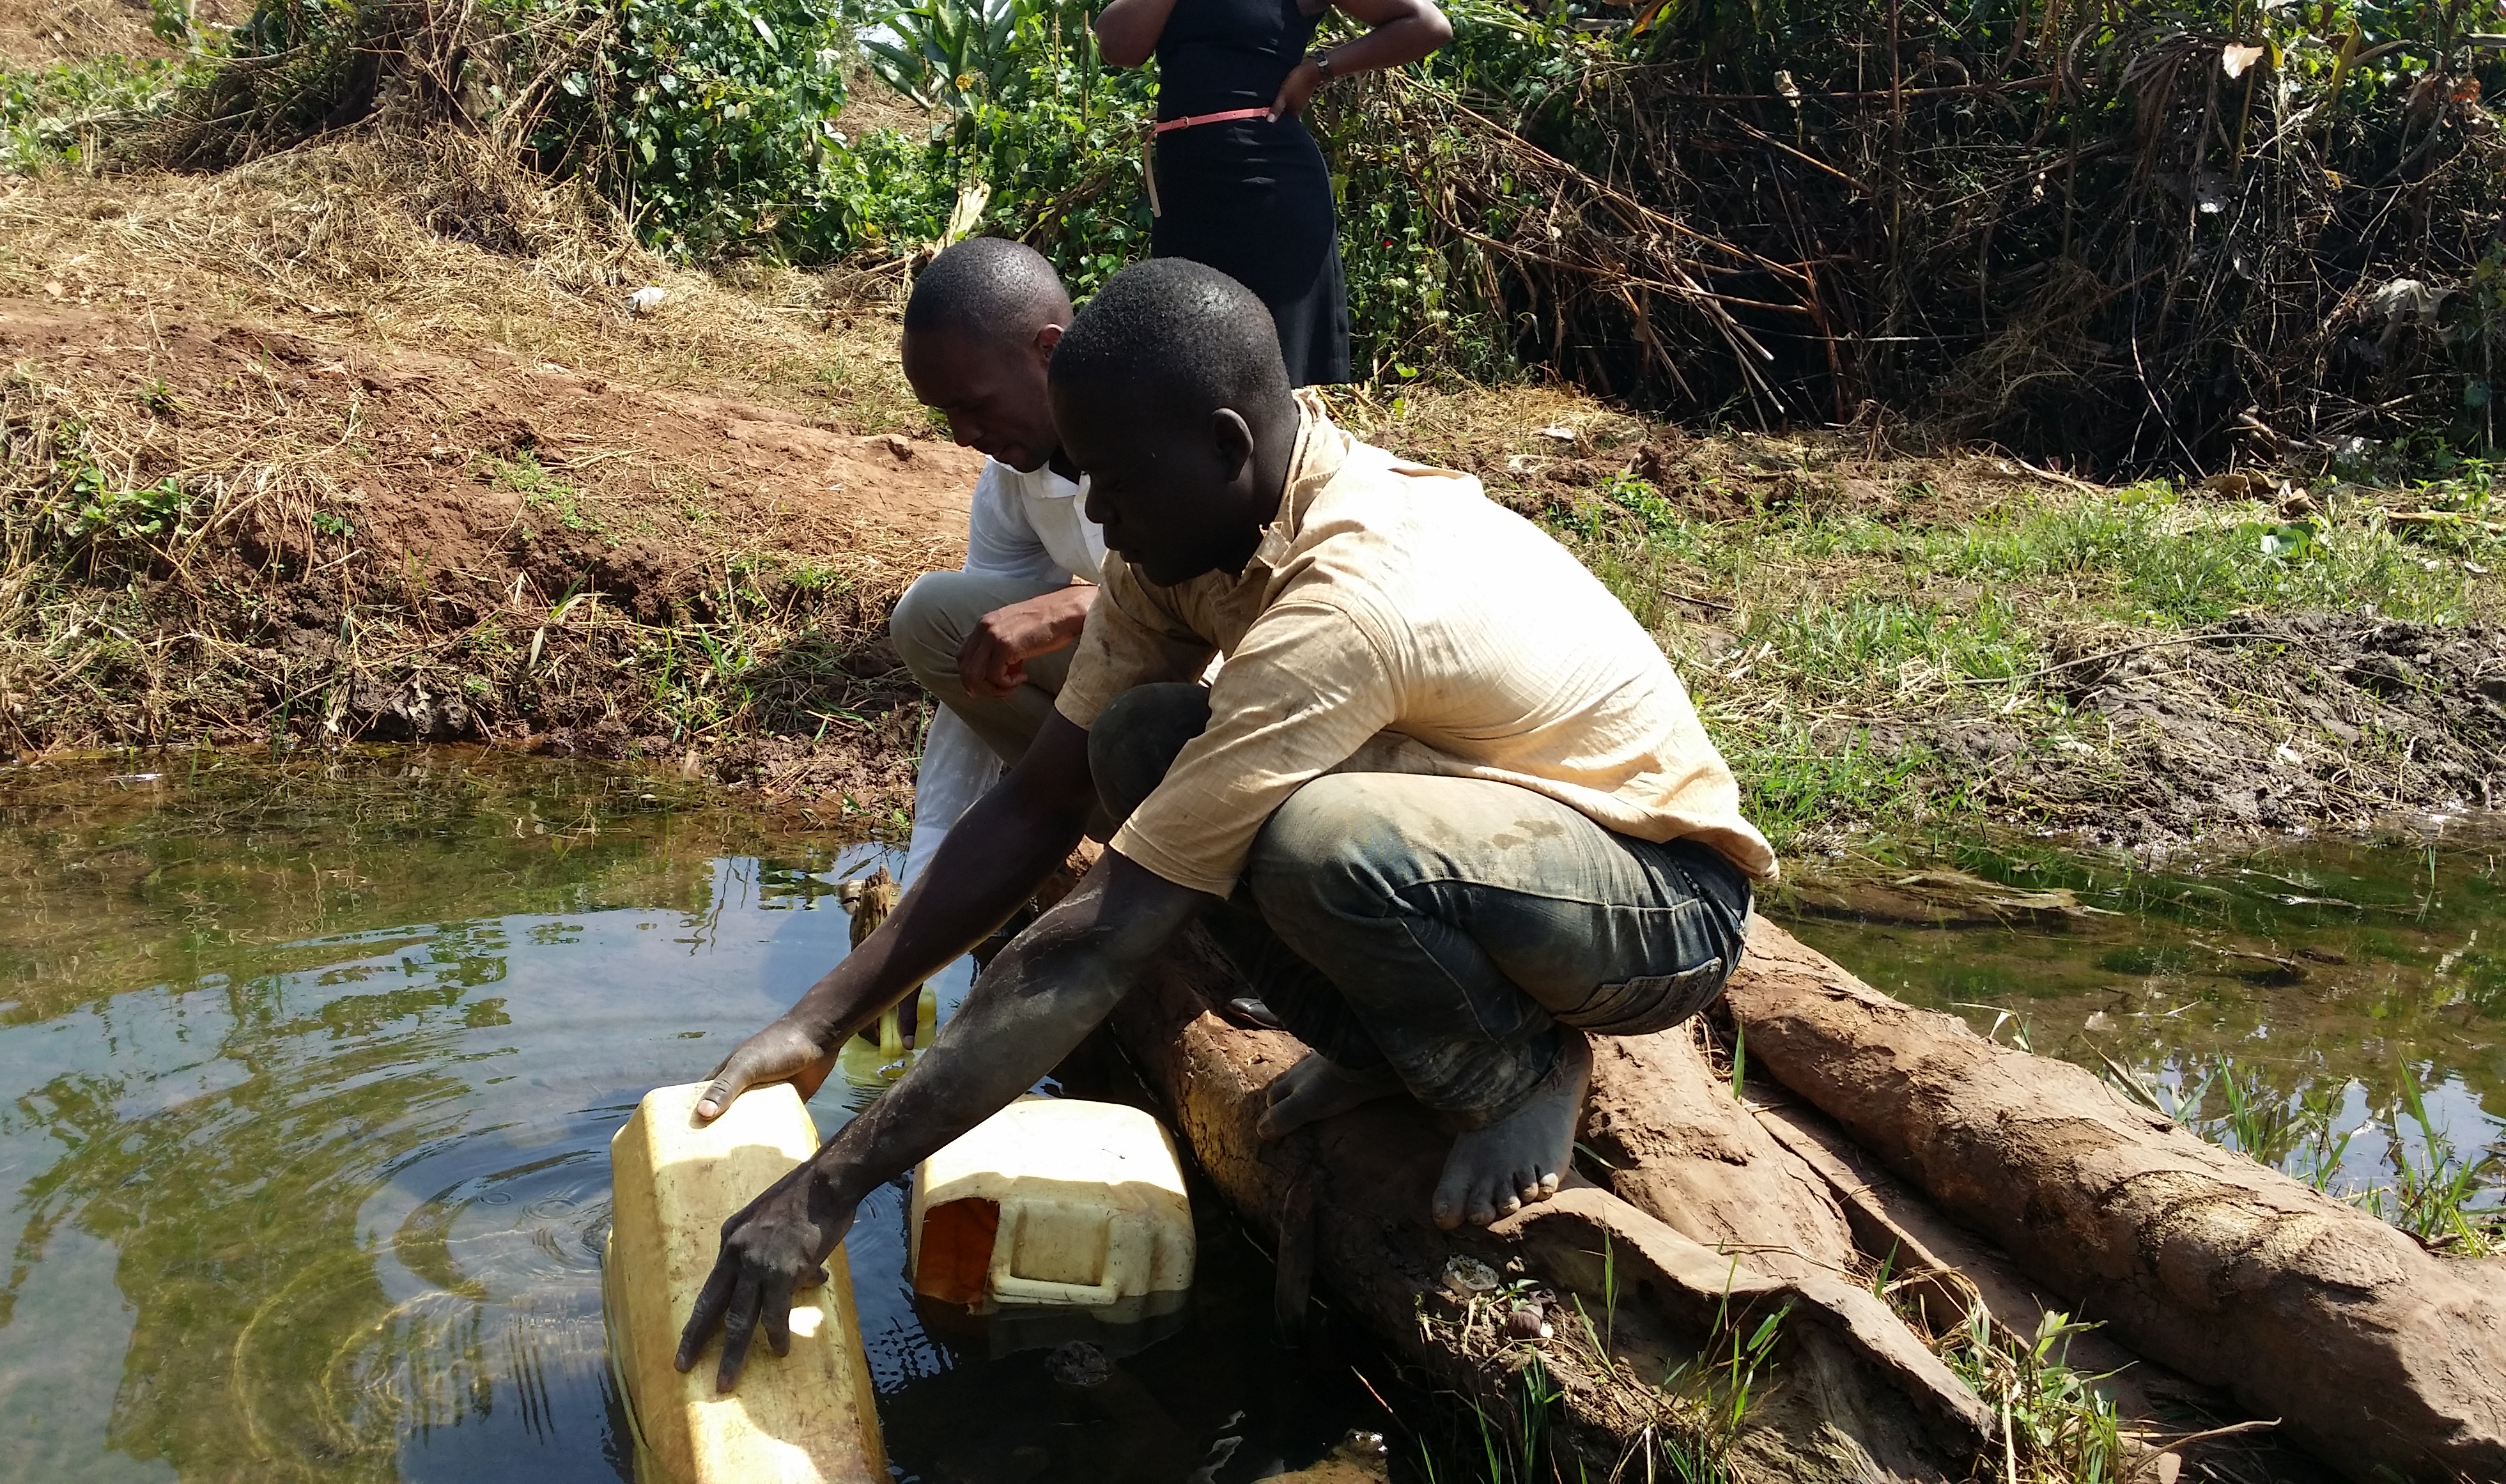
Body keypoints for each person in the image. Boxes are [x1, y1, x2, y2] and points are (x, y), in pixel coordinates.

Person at [673, 259, 1775, 1390]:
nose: (1094, 516)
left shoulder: (1352, 591)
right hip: (1483, 843)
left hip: (1654, 904)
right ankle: (1386, 1048)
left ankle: (1518, 1071)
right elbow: (1048, 796)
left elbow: (1109, 930)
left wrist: (830, 1186)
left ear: (1224, 445)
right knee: (1140, 742)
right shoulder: (1181, 540)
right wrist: (819, 1017)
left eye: (1112, 484)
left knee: (1320, 841)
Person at [1092, 0, 1451, 388]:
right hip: (1186, 193)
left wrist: (1319, 69)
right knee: (1187, 369)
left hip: (1270, 190)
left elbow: (1428, 24)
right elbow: (1117, 45)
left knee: (1280, 379)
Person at [886, 238, 1107, 865]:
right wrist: (929, 857)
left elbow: (1208, 621)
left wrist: (1074, 608)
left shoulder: (1164, 434)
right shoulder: (1013, 476)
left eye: (973, 405)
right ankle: (1112, 819)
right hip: (1134, 692)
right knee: (935, 618)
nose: (962, 439)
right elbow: (980, 667)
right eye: (944, 416)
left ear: (1049, 350)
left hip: (1232, 700)